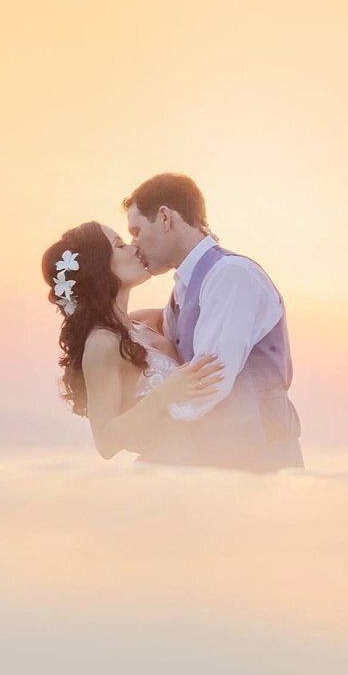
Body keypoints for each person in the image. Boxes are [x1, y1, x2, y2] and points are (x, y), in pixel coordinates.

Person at [124, 173, 303, 472]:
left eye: (136, 230)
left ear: (166, 218)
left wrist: (144, 426)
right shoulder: (183, 289)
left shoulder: (231, 275)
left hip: (262, 467)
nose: (134, 244)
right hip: (219, 469)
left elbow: (209, 381)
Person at [41, 221, 225, 460]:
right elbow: (105, 443)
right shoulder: (102, 344)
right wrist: (165, 394)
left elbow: (201, 302)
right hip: (163, 475)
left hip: (202, 465)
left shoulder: (143, 322)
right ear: (98, 268)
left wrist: (198, 243)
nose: (134, 247)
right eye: (120, 245)